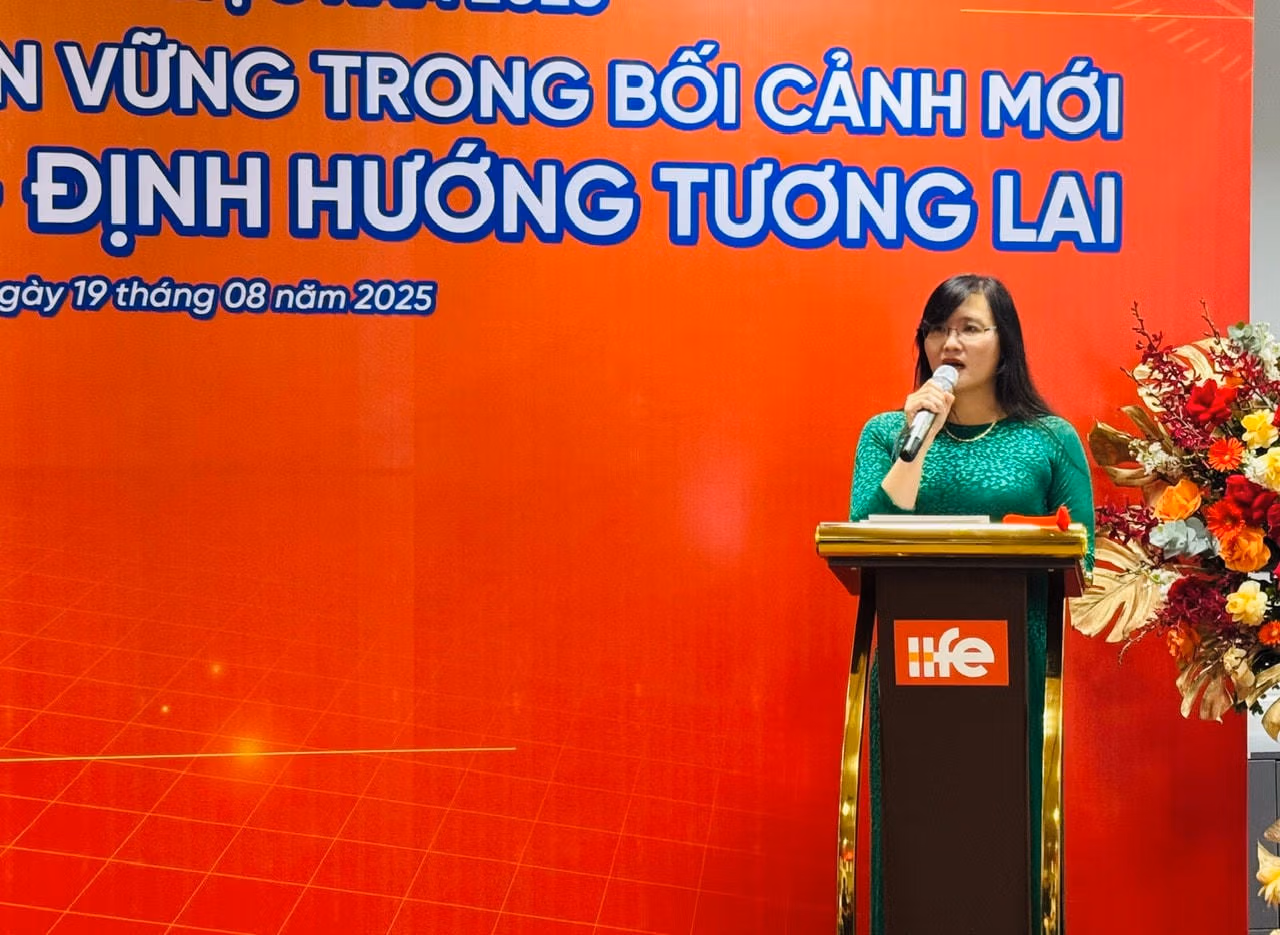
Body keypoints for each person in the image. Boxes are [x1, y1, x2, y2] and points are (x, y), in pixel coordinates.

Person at [847, 273, 1095, 934]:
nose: (950, 343)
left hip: (1017, 670)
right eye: (938, 328)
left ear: (1004, 341)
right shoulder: (886, 433)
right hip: (912, 673)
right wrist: (919, 439)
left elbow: (1086, 554)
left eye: (970, 328)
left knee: (1007, 837)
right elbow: (865, 533)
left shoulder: (1050, 438)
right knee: (916, 833)